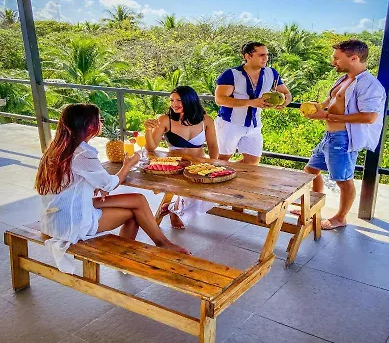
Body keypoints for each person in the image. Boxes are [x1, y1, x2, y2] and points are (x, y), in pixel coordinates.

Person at [35, 103, 190, 274]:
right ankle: (139, 253)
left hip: (55, 215)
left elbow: (80, 179)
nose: (101, 123)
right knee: (134, 214)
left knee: (138, 200)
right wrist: (128, 165)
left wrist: (97, 184)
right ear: (89, 126)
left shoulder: (57, 148)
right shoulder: (83, 153)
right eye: (99, 120)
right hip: (71, 222)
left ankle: (160, 244)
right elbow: (109, 184)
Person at [300, 39, 386, 230]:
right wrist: (317, 108)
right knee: (310, 171)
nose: (333, 62)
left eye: (337, 58)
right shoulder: (345, 78)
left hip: (344, 139)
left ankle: (340, 218)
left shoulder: (370, 85)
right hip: (329, 137)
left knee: (343, 180)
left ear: (354, 58)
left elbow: (370, 117)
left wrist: (326, 116)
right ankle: (312, 207)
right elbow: (331, 100)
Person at [144, 86, 219, 229]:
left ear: (190, 100)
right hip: (176, 168)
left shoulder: (206, 120)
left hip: (198, 167)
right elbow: (151, 148)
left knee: (205, 197)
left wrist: (212, 164)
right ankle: (175, 209)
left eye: (179, 100)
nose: (174, 104)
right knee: (191, 194)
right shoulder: (165, 120)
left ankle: (172, 207)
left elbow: (213, 145)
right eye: (171, 100)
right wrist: (148, 130)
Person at [214, 41, 292, 165]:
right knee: (222, 159)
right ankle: (219, 175)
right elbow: (220, 99)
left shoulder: (271, 73)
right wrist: (251, 102)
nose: (266, 58)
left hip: (254, 125)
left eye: (267, 55)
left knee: (252, 162)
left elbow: (287, 94)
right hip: (230, 124)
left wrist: (284, 102)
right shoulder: (232, 74)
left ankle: (231, 175)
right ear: (248, 56)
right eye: (261, 55)